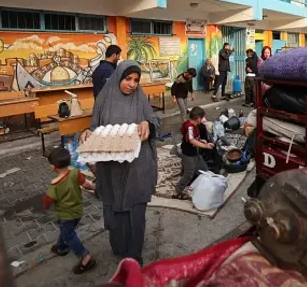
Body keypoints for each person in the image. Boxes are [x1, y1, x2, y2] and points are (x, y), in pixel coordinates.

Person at [79, 60, 159, 266]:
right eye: (128, 78)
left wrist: (147, 124)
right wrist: (87, 132)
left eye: (136, 80)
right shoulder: (104, 98)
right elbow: (94, 127)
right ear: (118, 77)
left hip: (136, 167)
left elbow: (154, 121)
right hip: (111, 168)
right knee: (116, 210)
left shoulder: (140, 98)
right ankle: (119, 247)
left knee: (136, 211)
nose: (132, 84)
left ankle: (134, 254)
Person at [44, 147, 96, 274]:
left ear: (52, 167)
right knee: (66, 230)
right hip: (78, 211)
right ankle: (61, 247)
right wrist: (95, 188)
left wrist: (45, 204)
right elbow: (86, 185)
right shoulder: (75, 173)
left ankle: (85, 257)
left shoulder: (54, 184)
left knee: (69, 234)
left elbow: (47, 201)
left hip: (66, 215)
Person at [173, 106, 214, 199]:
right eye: (202, 118)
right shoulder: (190, 127)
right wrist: (205, 145)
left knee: (204, 168)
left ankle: (203, 186)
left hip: (195, 153)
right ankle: (177, 192)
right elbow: (191, 140)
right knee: (189, 173)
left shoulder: (191, 124)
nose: (202, 120)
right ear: (199, 118)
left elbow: (194, 138)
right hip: (188, 154)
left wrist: (201, 140)